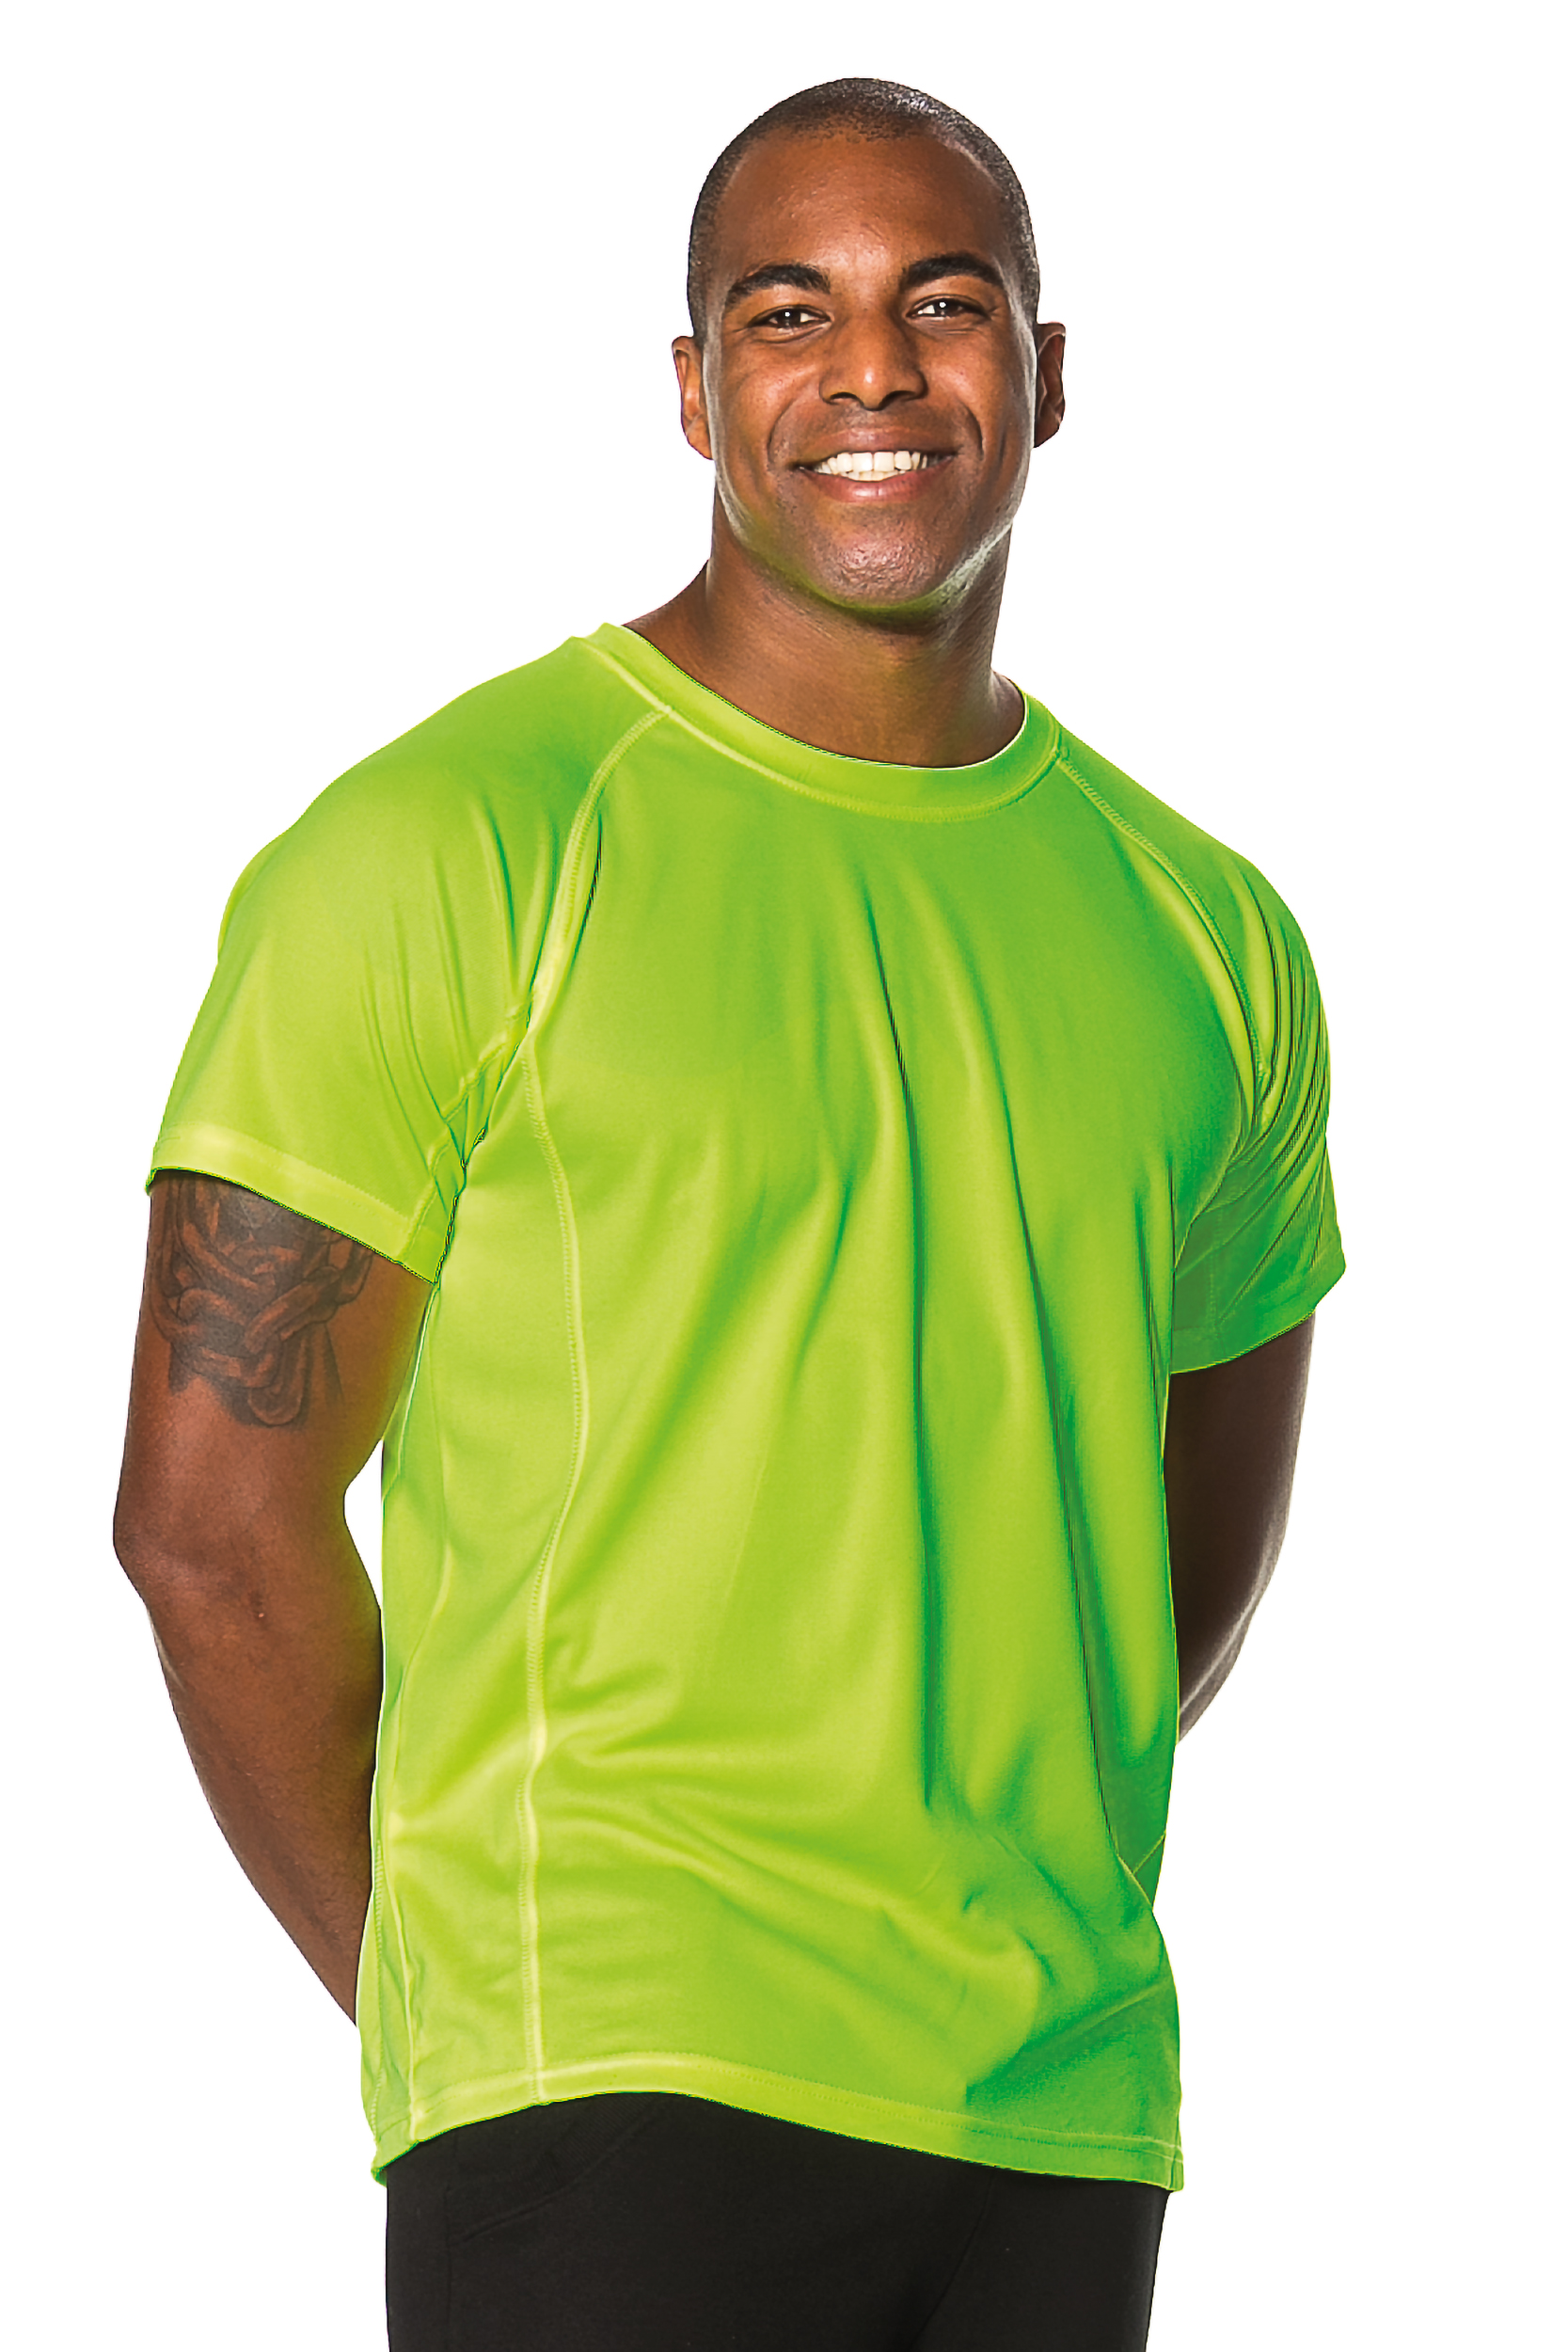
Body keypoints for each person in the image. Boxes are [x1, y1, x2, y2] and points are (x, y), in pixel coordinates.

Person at [113, 76, 1345, 2352]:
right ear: (695, 387)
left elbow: (1163, 1565)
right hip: (611, 2076)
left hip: (1054, 2094)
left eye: (943, 304)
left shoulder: (1208, 935)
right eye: (790, 312)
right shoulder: (452, 846)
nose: (871, 370)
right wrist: (480, 1992)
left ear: (1049, 371)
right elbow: (209, 1523)